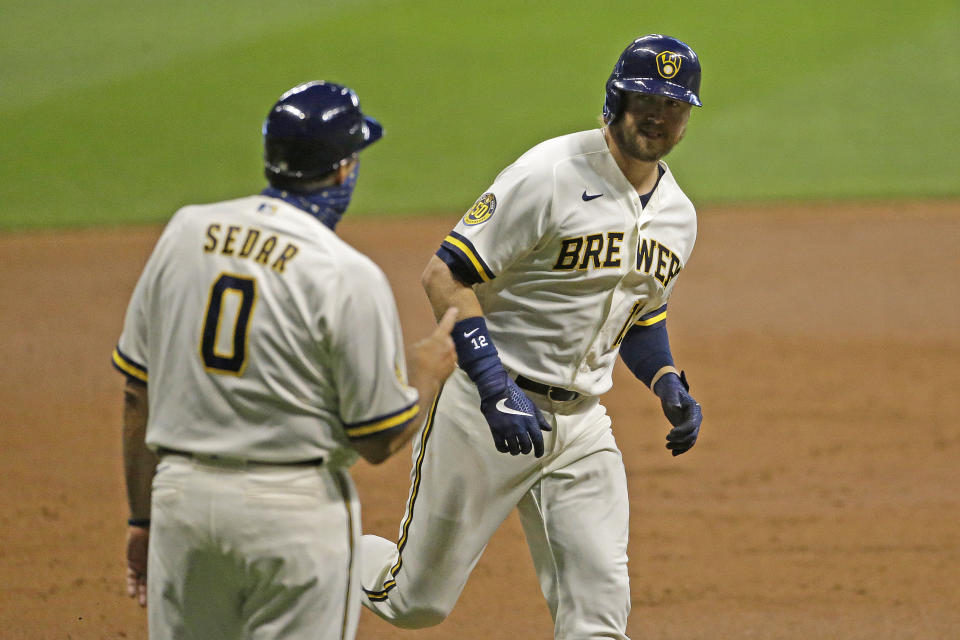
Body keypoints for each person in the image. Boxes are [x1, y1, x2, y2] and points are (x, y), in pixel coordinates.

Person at [360, 35, 705, 638]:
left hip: (581, 429)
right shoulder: (548, 173)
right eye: (646, 99)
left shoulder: (679, 215)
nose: (660, 116)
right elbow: (445, 274)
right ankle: (328, 551)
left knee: (597, 614)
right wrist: (492, 383)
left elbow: (639, 310)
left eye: (675, 105)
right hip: (482, 411)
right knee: (414, 603)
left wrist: (665, 378)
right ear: (614, 101)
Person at [112, 80, 457, 639]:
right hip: (294, 516)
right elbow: (377, 438)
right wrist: (428, 372)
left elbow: (135, 391)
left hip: (182, 504)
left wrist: (141, 519)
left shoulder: (184, 231)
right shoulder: (347, 273)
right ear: (344, 170)